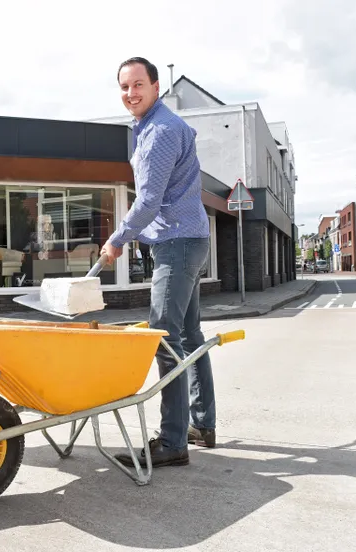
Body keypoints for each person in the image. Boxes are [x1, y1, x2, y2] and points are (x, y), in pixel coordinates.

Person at [107, 57, 216, 469]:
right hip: (185, 239)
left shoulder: (160, 131)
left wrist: (117, 240)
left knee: (163, 339)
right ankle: (201, 423)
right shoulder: (152, 127)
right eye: (124, 87)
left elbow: (149, 199)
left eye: (138, 84)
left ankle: (172, 441)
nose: (131, 93)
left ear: (156, 86)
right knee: (188, 335)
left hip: (175, 242)